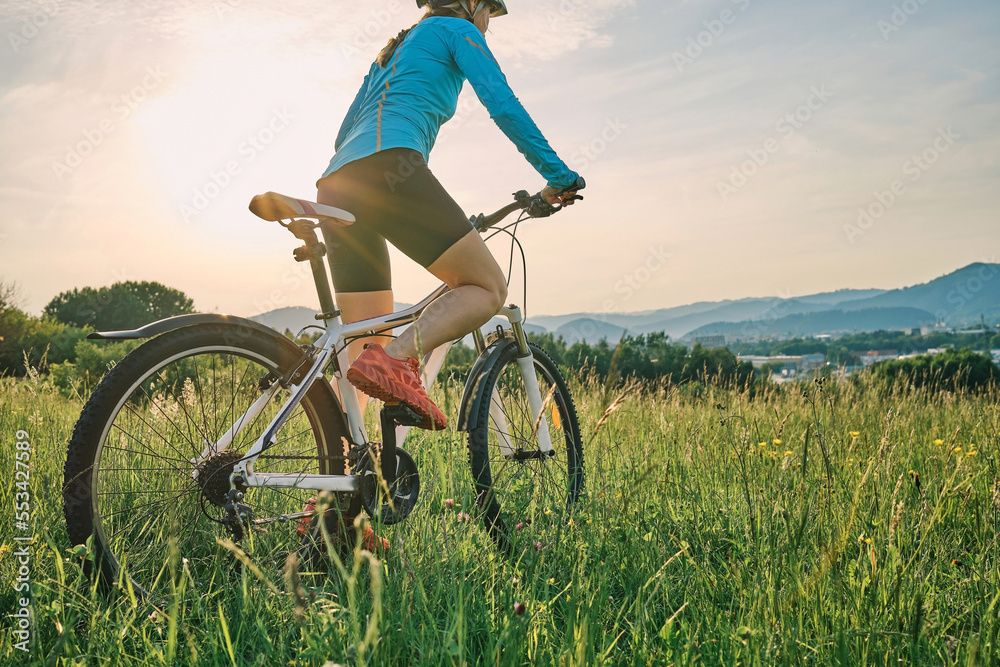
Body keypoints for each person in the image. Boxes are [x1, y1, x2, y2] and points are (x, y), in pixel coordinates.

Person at [316, 0, 582, 433]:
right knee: (486, 287)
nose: (487, 25)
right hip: (391, 167)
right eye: (488, 14)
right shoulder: (457, 32)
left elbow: (343, 136)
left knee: (363, 346)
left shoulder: (391, 51)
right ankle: (399, 358)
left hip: (337, 184)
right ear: (472, 4)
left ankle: (338, 487)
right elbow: (503, 104)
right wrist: (557, 175)